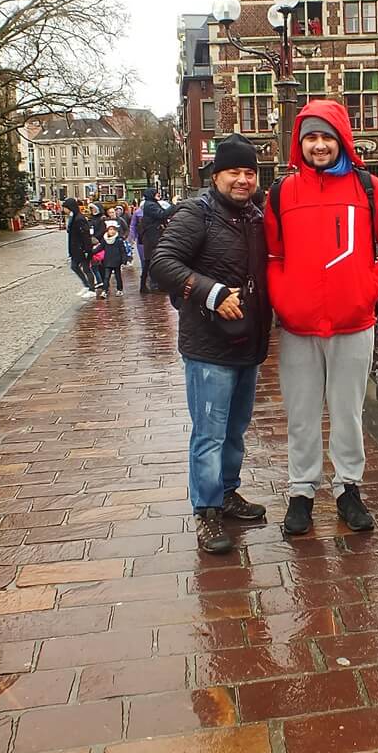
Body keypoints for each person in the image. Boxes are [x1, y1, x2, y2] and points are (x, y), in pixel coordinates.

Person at [264, 100, 378, 535]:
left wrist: (368, 289)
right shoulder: (282, 193)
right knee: (302, 413)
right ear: (300, 143)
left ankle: (348, 488)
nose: (319, 145)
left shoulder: (369, 188)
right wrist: (284, 299)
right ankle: (301, 492)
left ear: (341, 140)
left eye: (327, 137)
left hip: (352, 324)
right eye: (310, 137)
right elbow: (272, 255)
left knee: (348, 412)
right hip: (299, 326)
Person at [150, 135, 271, 554]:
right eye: (234, 172)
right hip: (208, 345)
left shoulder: (255, 215)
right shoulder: (195, 213)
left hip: (246, 342)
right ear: (215, 175)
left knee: (235, 430)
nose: (243, 180)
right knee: (210, 433)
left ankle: (227, 493)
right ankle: (206, 510)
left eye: (249, 172)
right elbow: (162, 263)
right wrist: (212, 293)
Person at [63, 196, 97, 295]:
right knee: (74, 266)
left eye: (65, 207)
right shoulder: (72, 217)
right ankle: (86, 285)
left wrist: (87, 249)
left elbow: (85, 235)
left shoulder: (79, 219)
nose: (64, 210)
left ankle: (92, 289)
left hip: (82, 249)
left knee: (86, 268)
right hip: (75, 249)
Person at [139, 187, 170, 294]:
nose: (158, 194)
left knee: (150, 261)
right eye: (156, 193)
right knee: (151, 261)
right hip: (151, 238)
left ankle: (148, 285)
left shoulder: (152, 204)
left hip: (152, 237)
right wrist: (174, 205)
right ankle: (152, 285)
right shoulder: (150, 205)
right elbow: (162, 214)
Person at [98, 222, 126, 297]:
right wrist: (91, 252)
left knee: (118, 276)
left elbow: (122, 250)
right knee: (106, 277)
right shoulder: (104, 240)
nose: (112, 231)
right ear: (107, 230)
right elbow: (100, 248)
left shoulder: (119, 240)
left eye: (114, 229)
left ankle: (119, 289)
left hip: (117, 261)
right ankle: (105, 290)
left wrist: (124, 259)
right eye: (110, 229)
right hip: (107, 261)